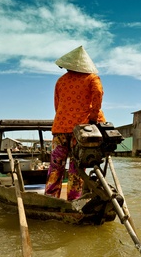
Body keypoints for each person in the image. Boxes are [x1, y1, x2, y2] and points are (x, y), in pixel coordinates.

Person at [45, 46, 106, 200]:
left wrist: (64, 118)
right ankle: (74, 199)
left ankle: (51, 198)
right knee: (76, 167)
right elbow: (98, 94)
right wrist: (93, 116)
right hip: (81, 131)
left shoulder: (61, 81)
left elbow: (57, 105)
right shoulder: (92, 78)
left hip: (60, 128)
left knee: (55, 166)